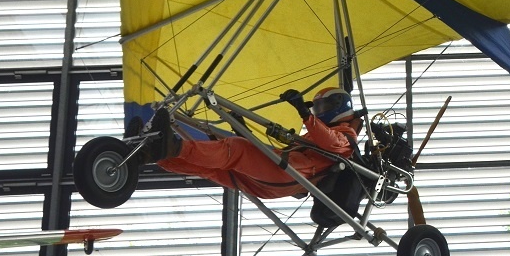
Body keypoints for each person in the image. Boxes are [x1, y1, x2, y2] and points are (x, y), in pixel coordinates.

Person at [133, 87, 367, 199]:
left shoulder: (346, 135)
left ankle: (173, 147)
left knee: (237, 150)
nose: (319, 112)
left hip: (289, 175)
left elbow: (332, 142)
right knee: (212, 166)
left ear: (340, 108)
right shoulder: (322, 134)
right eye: (317, 108)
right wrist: (240, 125)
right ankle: (154, 156)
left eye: (323, 108)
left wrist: (305, 114)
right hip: (279, 175)